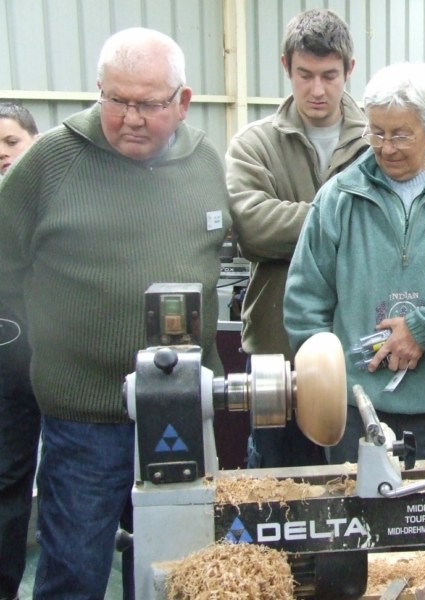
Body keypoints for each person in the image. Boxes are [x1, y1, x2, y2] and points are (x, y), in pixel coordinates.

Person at [0, 28, 231, 599]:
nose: (130, 118)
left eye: (148, 104)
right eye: (116, 100)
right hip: (86, 416)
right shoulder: (52, 161)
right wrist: (37, 344)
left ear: (182, 101)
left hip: (180, 409)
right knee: (75, 570)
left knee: (175, 571)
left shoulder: (205, 161)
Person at [284, 62, 425, 464]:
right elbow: (306, 300)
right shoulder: (339, 198)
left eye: (401, 134)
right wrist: (324, 383)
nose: (386, 147)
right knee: (360, 507)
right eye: (376, 132)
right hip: (357, 411)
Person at [226, 8, 368, 468]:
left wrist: (296, 221)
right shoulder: (254, 145)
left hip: (362, 354)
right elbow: (251, 228)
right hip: (278, 353)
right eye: (305, 75)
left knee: (359, 484)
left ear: (350, 68)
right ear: (285, 66)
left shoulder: (378, 143)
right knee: (277, 484)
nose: (317, 89)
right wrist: (346, 222)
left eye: (330, 75)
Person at [0, 103, 39, 600]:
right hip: (7, 367)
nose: (3, 154)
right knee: (8, 478)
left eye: (11, 142)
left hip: (64, 364)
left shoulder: (58, 196)